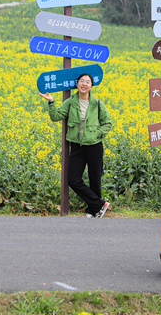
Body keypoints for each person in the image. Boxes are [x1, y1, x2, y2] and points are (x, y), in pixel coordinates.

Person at [40, 72, 113, 218]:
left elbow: (107, 123)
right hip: (77, 146)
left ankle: (93, 211)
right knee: (73, 180)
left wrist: (97, 134)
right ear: (77, 84)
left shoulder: (97, 103)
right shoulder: (71, 102)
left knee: (95, 179)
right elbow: (56, 117)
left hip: (94, 145)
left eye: (87, 82)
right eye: (82, 81)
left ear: (91, 86)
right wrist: (51, 102)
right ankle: (100, 205)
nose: (84, 84)